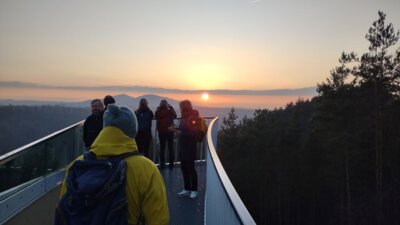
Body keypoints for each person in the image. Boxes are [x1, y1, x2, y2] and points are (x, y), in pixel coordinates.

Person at [59, 104, 169, 225]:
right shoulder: (146, 169)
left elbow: (64, 211)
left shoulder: (77, 165)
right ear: (133, 131)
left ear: (104, 128)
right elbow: (159, 219)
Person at [170, 100, 199, 199]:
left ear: (184, 107)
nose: (180, 108)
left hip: (190, 147)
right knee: (184, 168)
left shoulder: (192, 118)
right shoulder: (184, 117)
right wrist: (175, 129)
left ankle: (194, 190)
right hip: (183, 147)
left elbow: (194, 135)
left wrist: (180, 133)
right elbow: (184, 129)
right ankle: (187, 188)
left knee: (191, 169)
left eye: (180, 106)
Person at [155, 100, 177, 169]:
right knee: (170, 148)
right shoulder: (170, 111)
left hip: (161, 132)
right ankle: (171, 165)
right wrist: (171, 107)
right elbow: (175, 115)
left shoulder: (158, 111)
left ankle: (162, 165)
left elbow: (156, 116)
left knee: (162, 148)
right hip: (170, 131)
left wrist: (158, 109)